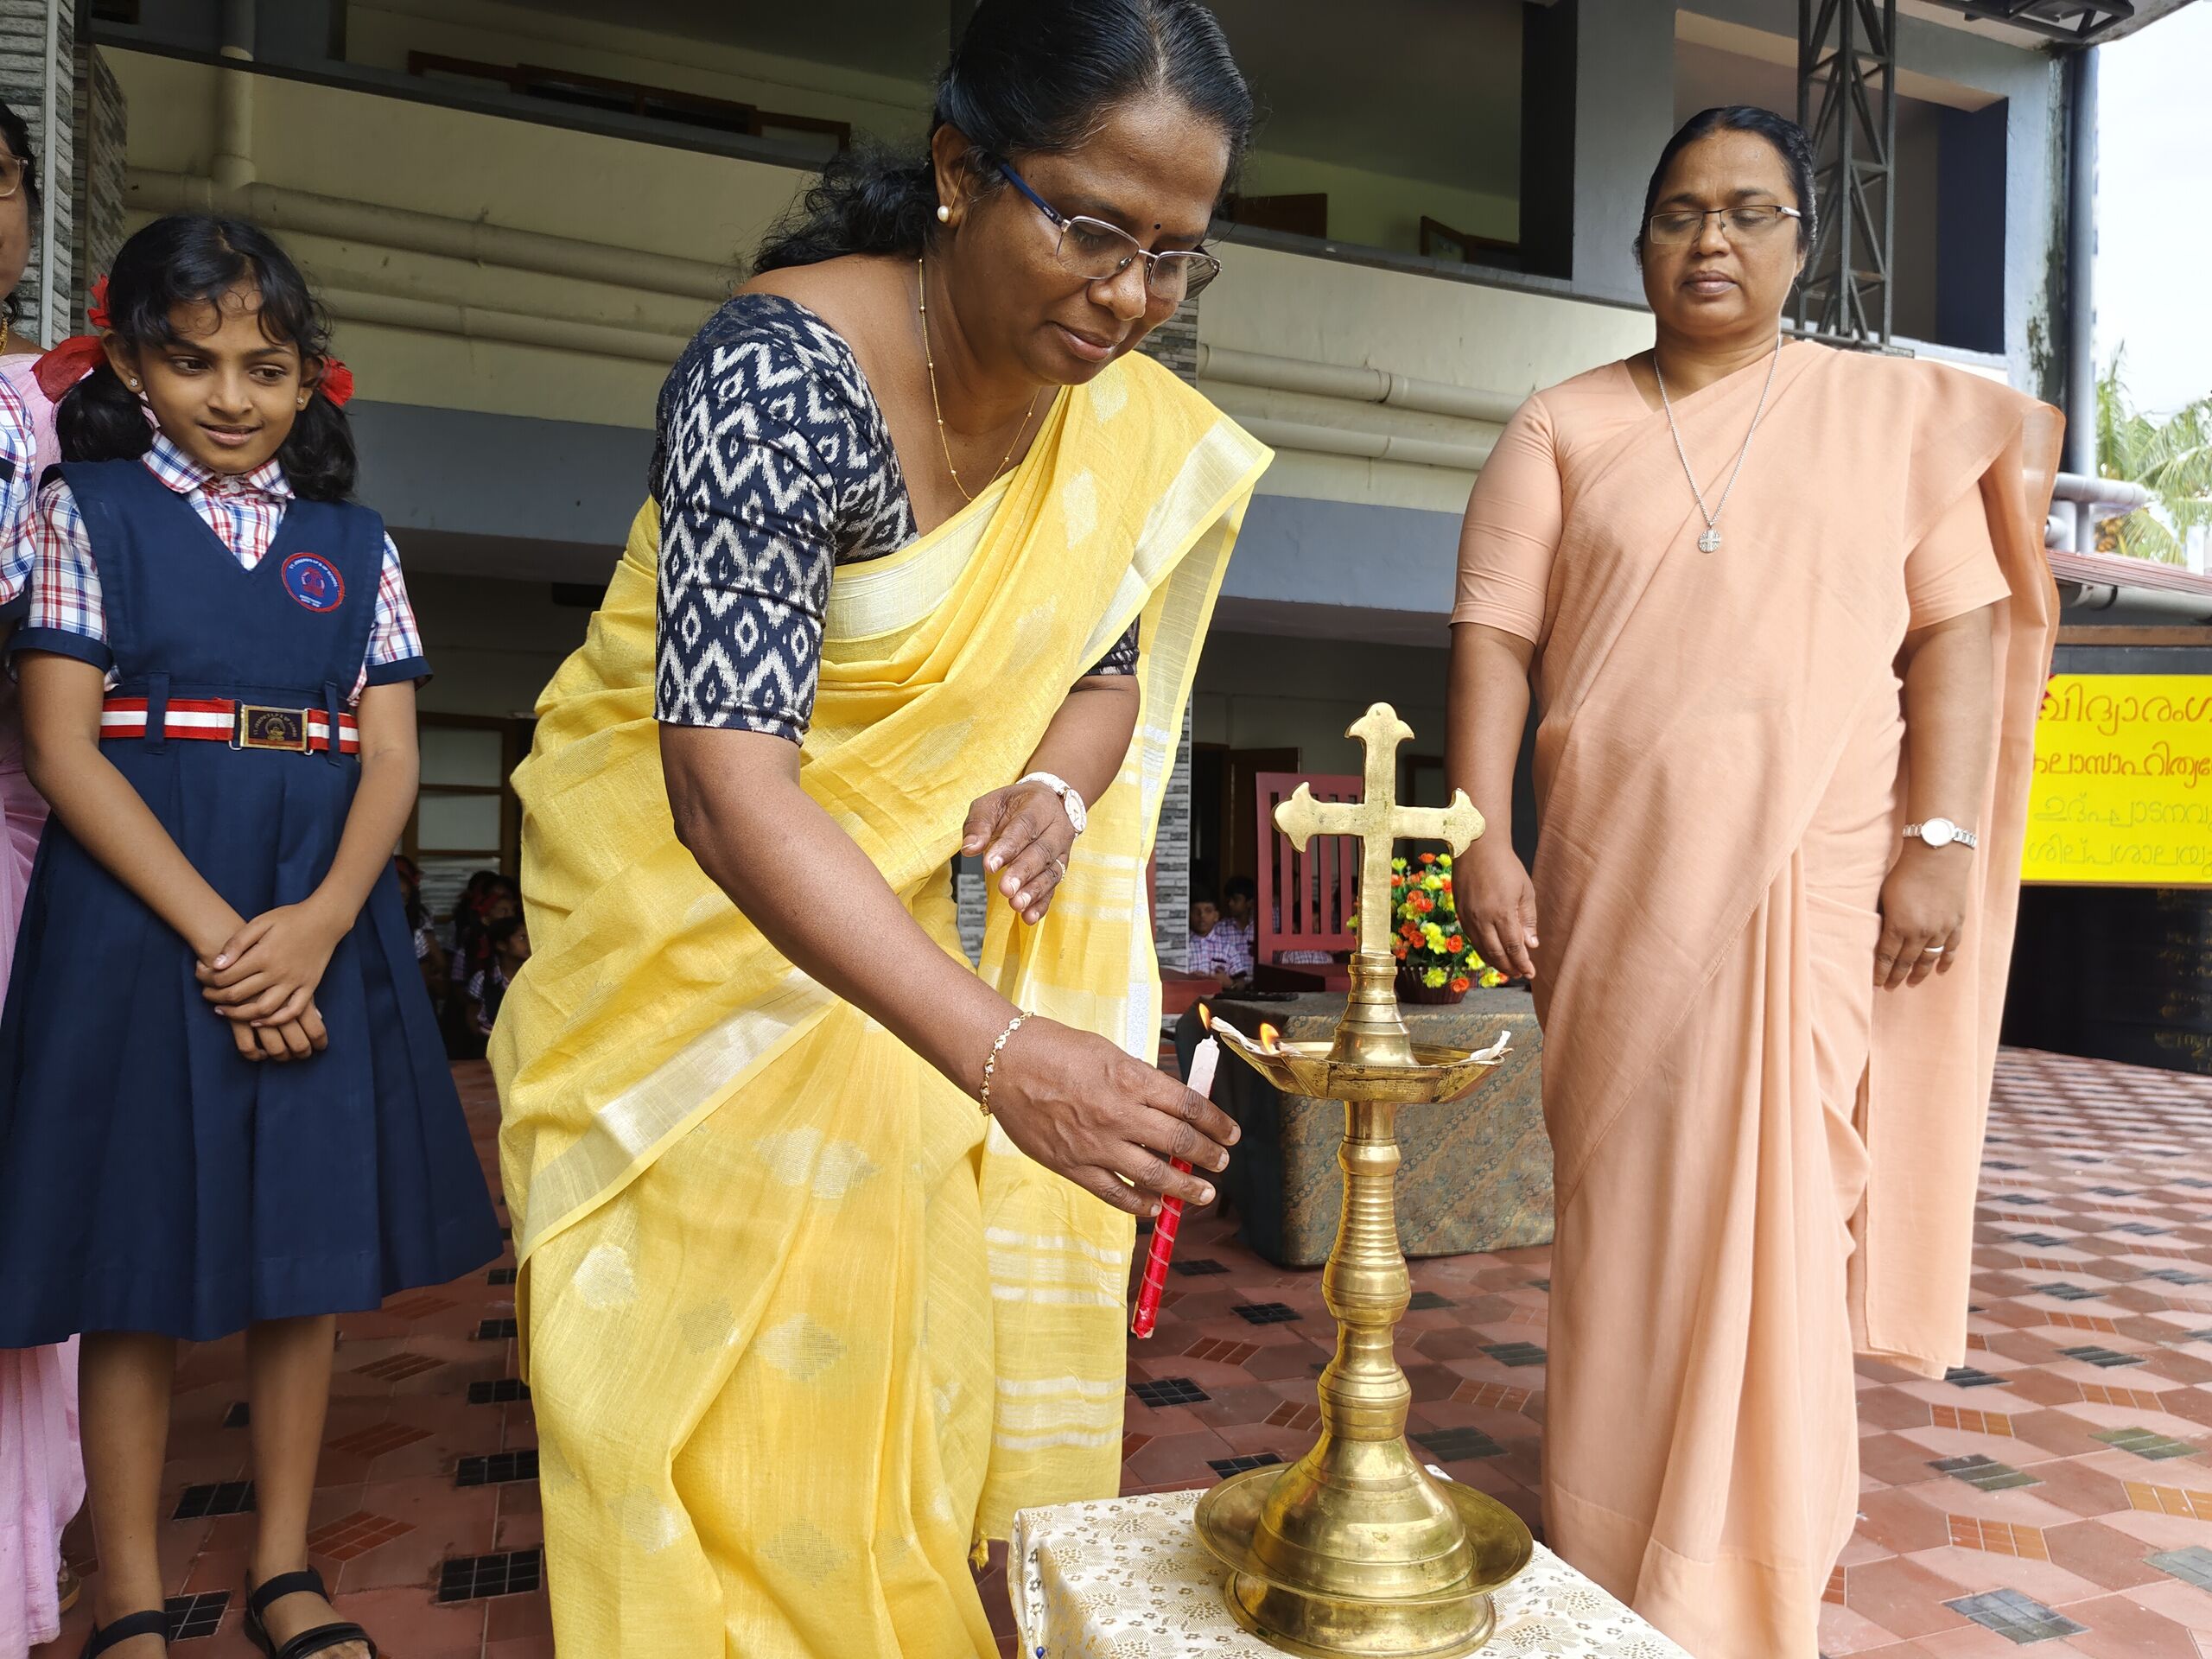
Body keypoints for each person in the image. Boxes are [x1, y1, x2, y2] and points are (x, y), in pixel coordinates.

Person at [492, 3, 1268, 1652]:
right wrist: (1007, 1055)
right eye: (1091, 229)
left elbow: (1103, 673)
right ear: (959, 171)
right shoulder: (783, 378)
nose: (1128, 296)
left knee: (880, 1434)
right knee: (673, 1443)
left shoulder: (1102, 418)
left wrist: (1053, 786)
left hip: (885, 1005)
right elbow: (722, 785)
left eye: (1174, 257)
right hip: (683, 989)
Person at [1446, 107, 2059, 1658]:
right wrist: (1477, 833)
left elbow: (1962, 632)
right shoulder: (1561, 425)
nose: (1711, 238)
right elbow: (1493, 640)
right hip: (1618, 875)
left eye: (1748, 211)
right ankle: (1609, 1526)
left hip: (1813, 874)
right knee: (1627, 1214)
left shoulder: (1882, 421)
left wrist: (1941, 843)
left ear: (1800, 243)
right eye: (1679, 212)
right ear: (1640, 241)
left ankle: (1752, 1563)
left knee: (1784, 1210)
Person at [0, 214, 502, 1659]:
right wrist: (234, 943)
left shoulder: (355, 542)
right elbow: (62, 746)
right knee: (130, 1265)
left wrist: (321, 923)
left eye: (266, 369)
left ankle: (286, 1571)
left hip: (317, 906)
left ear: (307, 381)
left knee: (309, 1257)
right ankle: (130, 1595)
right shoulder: (85, 508)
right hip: (141, 914)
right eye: (195, 362)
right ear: (132, 367)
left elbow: (391, 758)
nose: (231, 397)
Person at [0, 98, 86, 1659]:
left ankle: (20, 1571)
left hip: (34, 837)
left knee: (29, 1211)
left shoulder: (69, 403)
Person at [467, 915, 528, 1038]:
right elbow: (472, 1016)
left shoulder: (536, 977)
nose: (529, 942)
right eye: (522, 938)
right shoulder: (482, 979)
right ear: (502, 945)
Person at [1185, 889, 1252, 982]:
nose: (1202, 916)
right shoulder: (1181, 946)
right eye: (1196, 911)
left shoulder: (1227, 947)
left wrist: (1229, 983)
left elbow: (1241, 983)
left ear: (1216, 916)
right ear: (1188, 915)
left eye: (1208, 911)